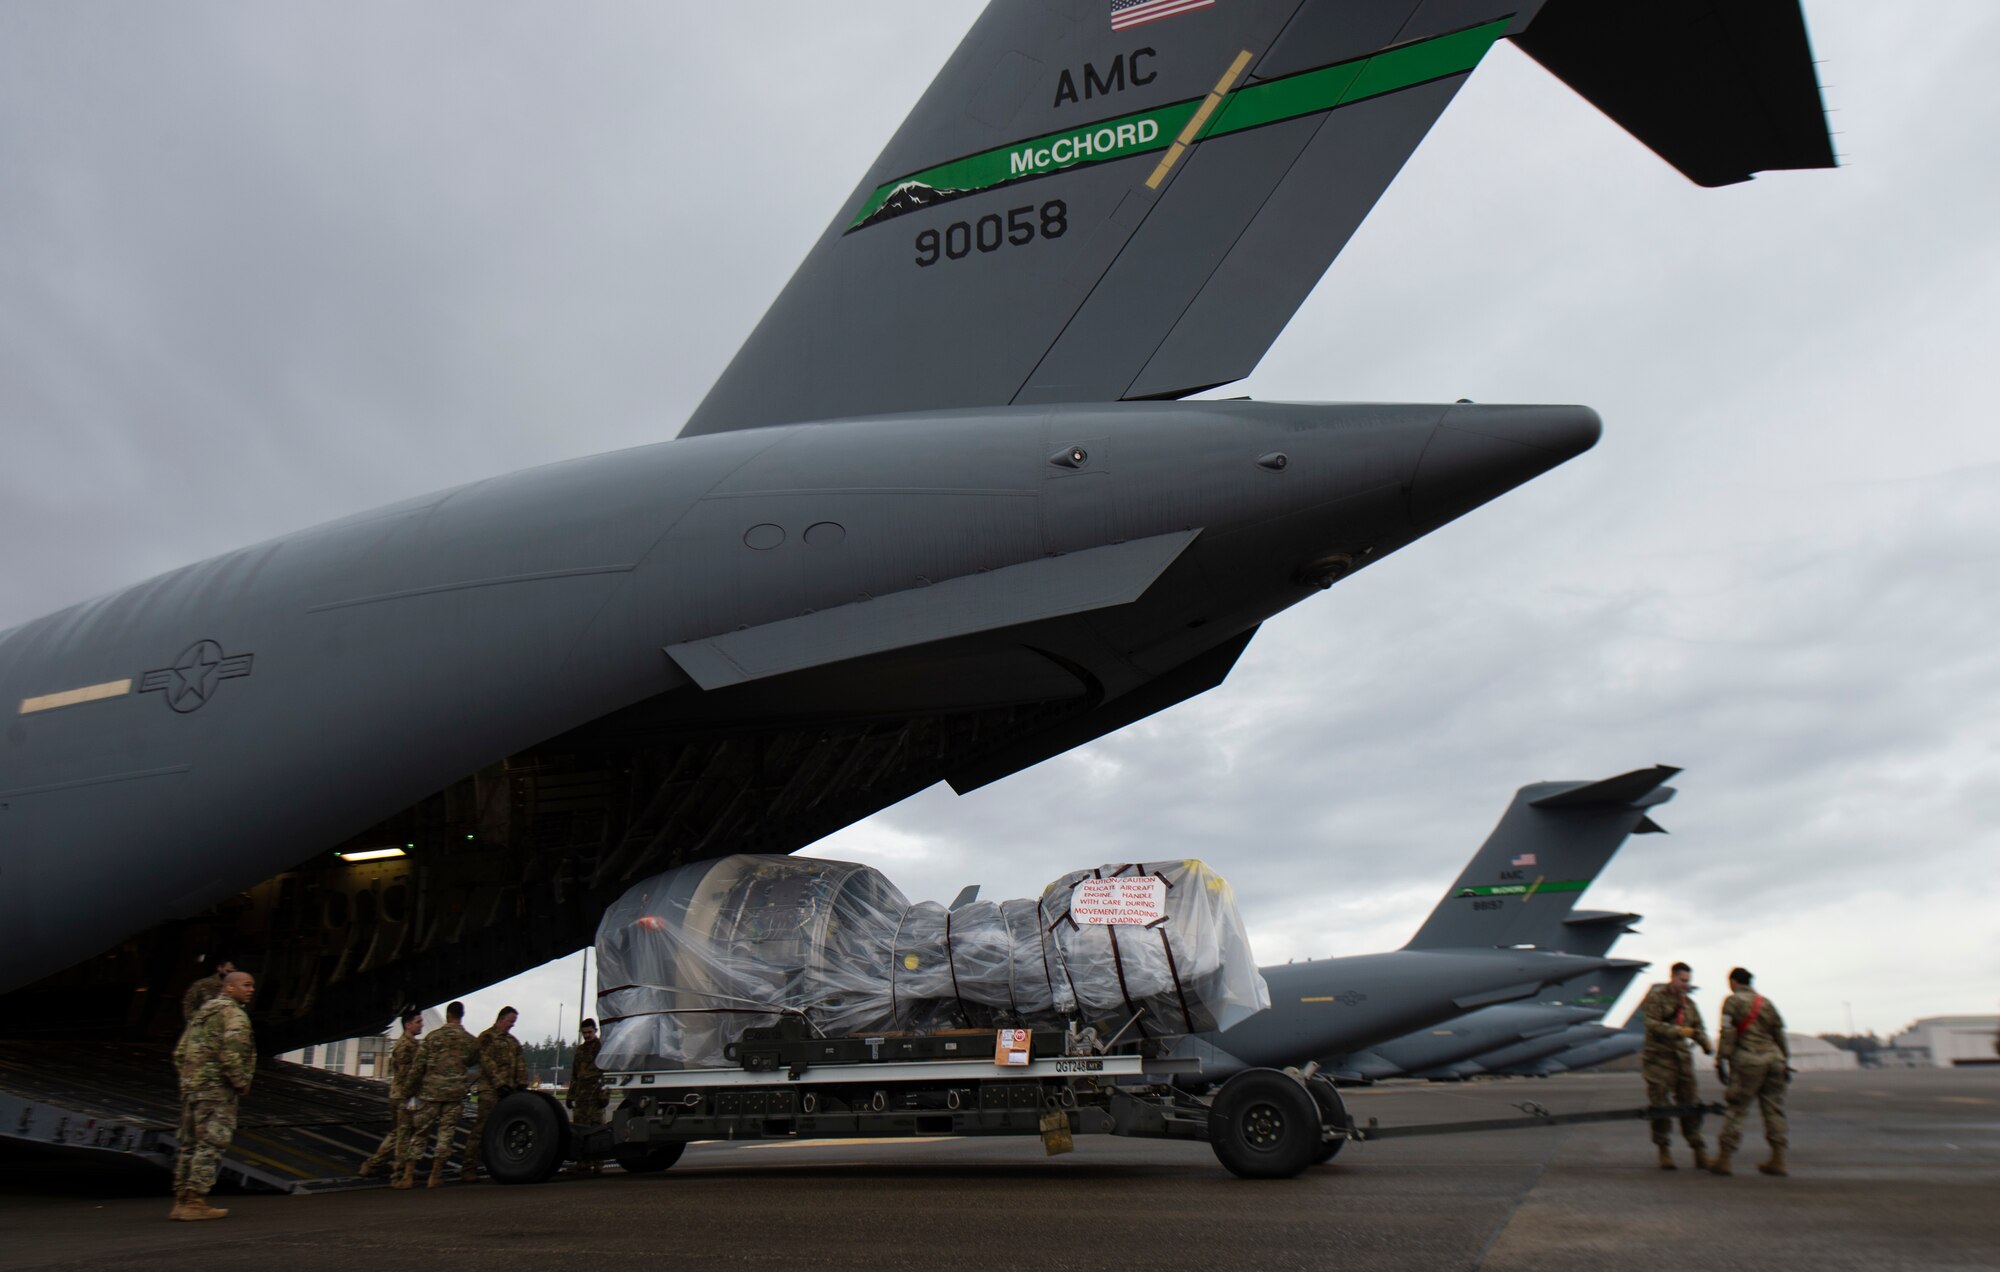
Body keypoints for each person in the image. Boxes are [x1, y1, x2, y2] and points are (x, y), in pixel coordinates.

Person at [169, 969, 256, 1221]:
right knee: (211, 1144)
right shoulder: (234, 1015)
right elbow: (231, 1055)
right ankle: (195, 1202)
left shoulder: (202, 1015)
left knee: (189, 1145)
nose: (250, 990)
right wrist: (241, 1083)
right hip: (217, 1091)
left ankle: (181, 1201)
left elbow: (180, 1052)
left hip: (193, 1089)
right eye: (246, 985)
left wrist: (190, 1079)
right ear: (229, 988)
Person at [1710, 967, 1790, 1177]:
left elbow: (1727, 1032)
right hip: (1774, 1059)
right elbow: (1779, 1033)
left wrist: (1720, 1060)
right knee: (1773, 1109)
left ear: (1734, 982)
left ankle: (1724, 1159)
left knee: (1737, 1108)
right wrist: (1785, 1060)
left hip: (1749, 1060)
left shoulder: (1732, 1001)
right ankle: (1778, 1159)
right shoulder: (1766, 1002)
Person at [1639, 961, 1712, 1170]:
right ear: (1673, 978)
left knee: (1690, 1104)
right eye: (1682, 980)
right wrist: (1676, 1031)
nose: (1686, 985)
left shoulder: (1689, 1004)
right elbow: (1651, 1023)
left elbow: (1698, 1027)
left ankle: (1698, 1149)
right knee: (1660, 1105)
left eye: (1688, 981)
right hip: (1659, 1059)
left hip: (1682, 1060)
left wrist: (1706, 1045)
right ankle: (1664, 1150)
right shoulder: (1656, 998)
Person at [399, 1001, 479, 1189]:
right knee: (446, 1134)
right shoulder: (469, 1040)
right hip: (454, 1095)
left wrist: (408, 1091)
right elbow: (473, 1061)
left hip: (430, 1093)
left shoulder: (432, 1037)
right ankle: (435, 1176)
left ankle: (408, 1176)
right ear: (462, 1015)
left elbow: (418, 1067)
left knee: (420, 1132)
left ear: (448, 1015)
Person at [463, 1006, 527, 1183]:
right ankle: (469, 1168)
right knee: (481, 1129)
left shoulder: (513, 1041)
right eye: (510, 1021)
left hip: (510, 1092)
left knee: (503, 1129)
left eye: (514, 1023)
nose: (511, 1026)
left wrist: (522, 1084)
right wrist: (500, 1084)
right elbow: (486, 1062)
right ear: (501, 1019)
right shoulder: (487, 1037)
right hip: (491, 1091)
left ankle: (497, 1165)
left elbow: (520, 1064)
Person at [359, 1010, 423, 1182]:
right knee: (403, 1135)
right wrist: (413, 1097)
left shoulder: (413, 1044)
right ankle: (398, 1174)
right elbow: (405, 1076)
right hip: (405, 1096)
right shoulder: (405, 1046)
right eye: (418, 1022)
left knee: (397, 1133)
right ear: (408, 1025)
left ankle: (371, 1165)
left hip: (404, 1095)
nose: (421, 1024)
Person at [567, 1018, 607, 1174]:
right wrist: (571, 1095)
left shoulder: (601, 1048)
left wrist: (604, 1095)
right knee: (580, 1130)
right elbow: (575, 1074)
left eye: (590, 1032)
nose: (587, 1036)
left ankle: (598, 1163)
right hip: (581, 1097)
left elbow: (606, 1073)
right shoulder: (580, 1051)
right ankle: (582, 1162)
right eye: (584, 1033)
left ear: (595, 1031)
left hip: (595, 1096)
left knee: (597, 1130)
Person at [180, 957, 236, 1022]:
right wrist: (195, 1020)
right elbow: (188, 1003)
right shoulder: (202, 984)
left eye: (233, 972)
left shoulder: (235, 988)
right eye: (228, 971)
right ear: (219, 968)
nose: (230, 974)